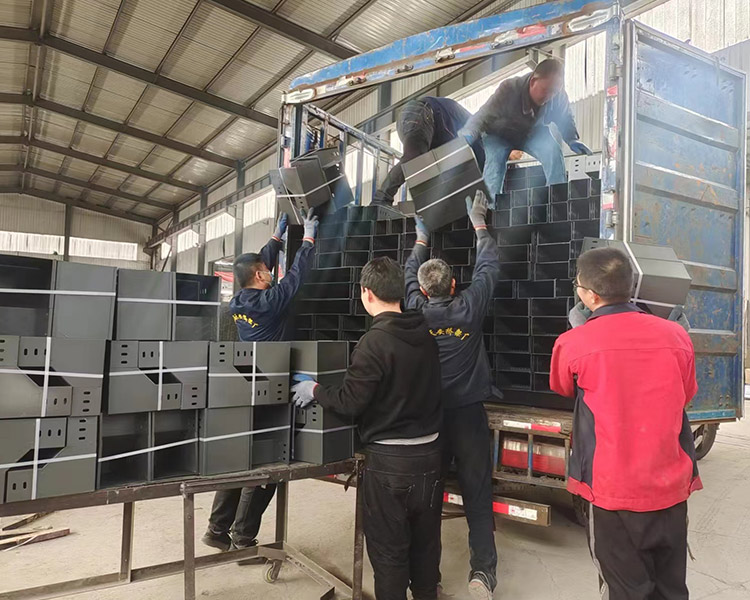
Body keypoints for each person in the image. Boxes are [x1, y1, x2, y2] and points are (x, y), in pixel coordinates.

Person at [550, 247, 701, 600]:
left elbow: (562, 386)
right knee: (671, 589)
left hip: (612, 492)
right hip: (670, 488)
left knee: (625, 590)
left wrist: (582, 336)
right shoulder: (676, 336)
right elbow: (686, 394)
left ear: (590, 295)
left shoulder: (573, 342)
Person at [291, 257, 443, 600]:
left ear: (367, 293)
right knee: (426, 548)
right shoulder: (425, 335)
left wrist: (315, 390)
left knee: (389, 554)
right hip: (431, 459)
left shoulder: (374, 343)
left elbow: (350, 402)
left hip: (391, 466)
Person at [202, 209, 318, 552]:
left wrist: (276, 238)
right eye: (266, 269)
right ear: (259, 275)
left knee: (240, 458)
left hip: (249, 385)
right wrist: (308, 239)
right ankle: (243, 538)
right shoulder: (269, 302)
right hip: (272, 389)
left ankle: (216, 529)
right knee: (268, 465)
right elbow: (296, 277)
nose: (270, 271)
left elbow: (255, 266)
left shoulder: (239, 300)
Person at [404, 189, 501, 600]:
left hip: (429, 420)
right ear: (455, 285)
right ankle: (483, 575)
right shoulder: (470, 308)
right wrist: (479, 225)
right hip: (468, 416)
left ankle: (428, 580)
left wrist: (420, 238)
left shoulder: (414, 313)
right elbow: (488, 268)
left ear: (424, 291)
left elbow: (408, 274)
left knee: (429, 499)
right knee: (477, 493)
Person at [460, 58, 592, 200]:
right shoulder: (509, 89)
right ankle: (488, 207)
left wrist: (572, 139)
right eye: (546, 91)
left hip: (531, 132)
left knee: (553, 151)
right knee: (494, 166)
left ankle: (557, 199)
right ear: (533, 81)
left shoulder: (558, 96)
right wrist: (470, 131)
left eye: (554, 92)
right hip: (498, 135)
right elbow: (485, 114)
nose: (549, 97)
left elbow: (565, 117)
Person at [373, 95, 485, 207]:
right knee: (413, 159)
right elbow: (482, 162)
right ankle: (380, 199)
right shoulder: (478, 133)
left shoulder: (455, 142)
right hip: (421, 114)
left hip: (415, 120)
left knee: (423, 169)